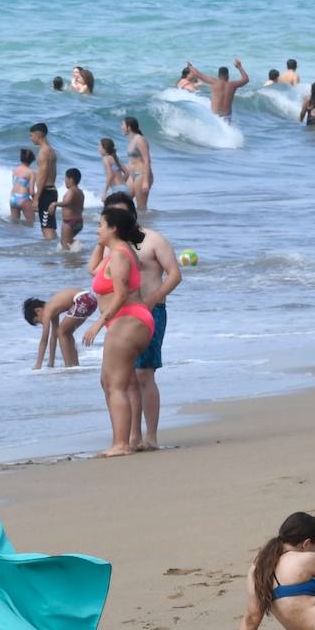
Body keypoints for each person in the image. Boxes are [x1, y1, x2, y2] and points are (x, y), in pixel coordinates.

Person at [104, 192, 181, 451]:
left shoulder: (152, 240)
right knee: (125, 378)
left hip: (151, 311)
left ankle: (151, 436)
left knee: (145, 375)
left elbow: (174, 274)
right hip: (121, 318)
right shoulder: (112, 246)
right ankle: (132, 437)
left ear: (132, 215)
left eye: (121, 213)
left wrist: (154, 298)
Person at [81, 208, 153, 457]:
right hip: (124, 322)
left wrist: (98, 323)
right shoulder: (115, 253)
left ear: (113, 228)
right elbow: (93, 270)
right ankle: (120, 441)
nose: (97, 229)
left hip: (130, 320)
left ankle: (122, 444)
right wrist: (101, 244)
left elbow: (122, 294)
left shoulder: (121, 255)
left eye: (101, 225)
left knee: (116, 384)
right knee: (109, 381)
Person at [23, 288, 96, 369]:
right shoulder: (53, 310)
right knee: (66, 333)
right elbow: (53, 336)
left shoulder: (47, 311)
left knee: (61, 332)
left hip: (82, 299)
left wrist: (38, 364)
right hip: (91, 299)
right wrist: (51, 362)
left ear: (38, 310)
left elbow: (44, 339)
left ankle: (68, 365)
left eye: (37, 320)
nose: (41, 323)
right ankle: (75, 365)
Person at [185, 58, 249, 122]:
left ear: (218, 75)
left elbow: (197, 74)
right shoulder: (233, 85)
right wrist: (239, 67)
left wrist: (190, 66)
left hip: (215, 117)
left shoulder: (214, 82)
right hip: (227, 117)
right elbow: (246, 79)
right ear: (228, 75)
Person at [29, 123, 59, 241]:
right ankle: (59, 250)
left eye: (31, 135)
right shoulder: (51, 150)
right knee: (49, 225)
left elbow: (44, 175)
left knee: (47, 227)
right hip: (51, 190)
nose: (30, 138)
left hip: (46, 192)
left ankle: (53, 255)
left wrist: (36, 198)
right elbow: (54, 173)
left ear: (38, 135)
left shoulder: (43, 152)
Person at [48, 168, 85, 248]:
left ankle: (75, 251)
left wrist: (54, 204)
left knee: (64, 244)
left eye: (65, 179)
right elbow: (81, 208)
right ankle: (76, 248)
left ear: (71, 179)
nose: (65, 181)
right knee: (66, 241)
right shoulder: (80, 192)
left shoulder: (71, 191)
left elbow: (67, 202)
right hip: (79, 222)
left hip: (69, 222)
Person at [123, 117, 154, 212]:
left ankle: (143, 224)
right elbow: (132, 162)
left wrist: (145, 181)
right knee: (124, 201)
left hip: (142, 174)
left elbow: (147, 160)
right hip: (132, 175)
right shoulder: (131, 141)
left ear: (128, 127)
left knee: (141, 207)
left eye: (122, 125)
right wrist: (124, 176)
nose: (121, 127)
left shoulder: (140, 140)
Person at [10, 148, 36, 223]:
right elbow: (31, 192)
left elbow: (14, 184)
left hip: (13, 198)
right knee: (31, 223)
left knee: (14, 224)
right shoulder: (31, 172)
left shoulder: (14, 170)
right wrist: (35, 201)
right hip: (23, 198)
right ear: (31, 160)